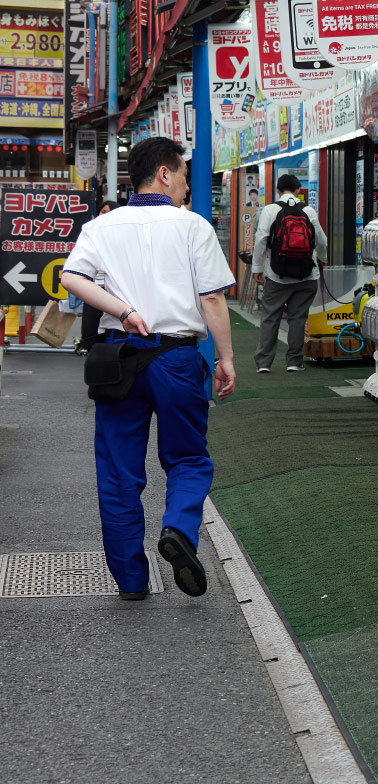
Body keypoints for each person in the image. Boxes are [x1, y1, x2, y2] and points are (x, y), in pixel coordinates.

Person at [61, 137, 237, 601]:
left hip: (119, 360)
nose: (184, 186)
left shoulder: (103, 226)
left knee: (119, 472)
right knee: (188, 458)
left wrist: (121, 311)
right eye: (181, 175)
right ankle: (178, 528)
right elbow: (213, 298)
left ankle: (132, 581)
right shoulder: (191, 226)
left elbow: (71, 277)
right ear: (164, 173)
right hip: (177, 359)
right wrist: (226, 359)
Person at [251, 173, 326, 373]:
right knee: (298, 318)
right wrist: (323, 260)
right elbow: (321, 241)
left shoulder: (269, 210)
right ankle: (294, 361)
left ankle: (264, 364)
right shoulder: (308, 211)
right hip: (306, 274)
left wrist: (257, 268)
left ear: (277, 190)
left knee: (270, 317)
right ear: (298, 190)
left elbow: (260, 240)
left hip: (276, 274)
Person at [78, 200, 120, 344]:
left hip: (114, 288)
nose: (106, 215)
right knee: (90, 326)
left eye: (110, 212)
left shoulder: (122, 236)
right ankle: (90, 346)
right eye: (103, 212)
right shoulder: (90, 233)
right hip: (94, 287)